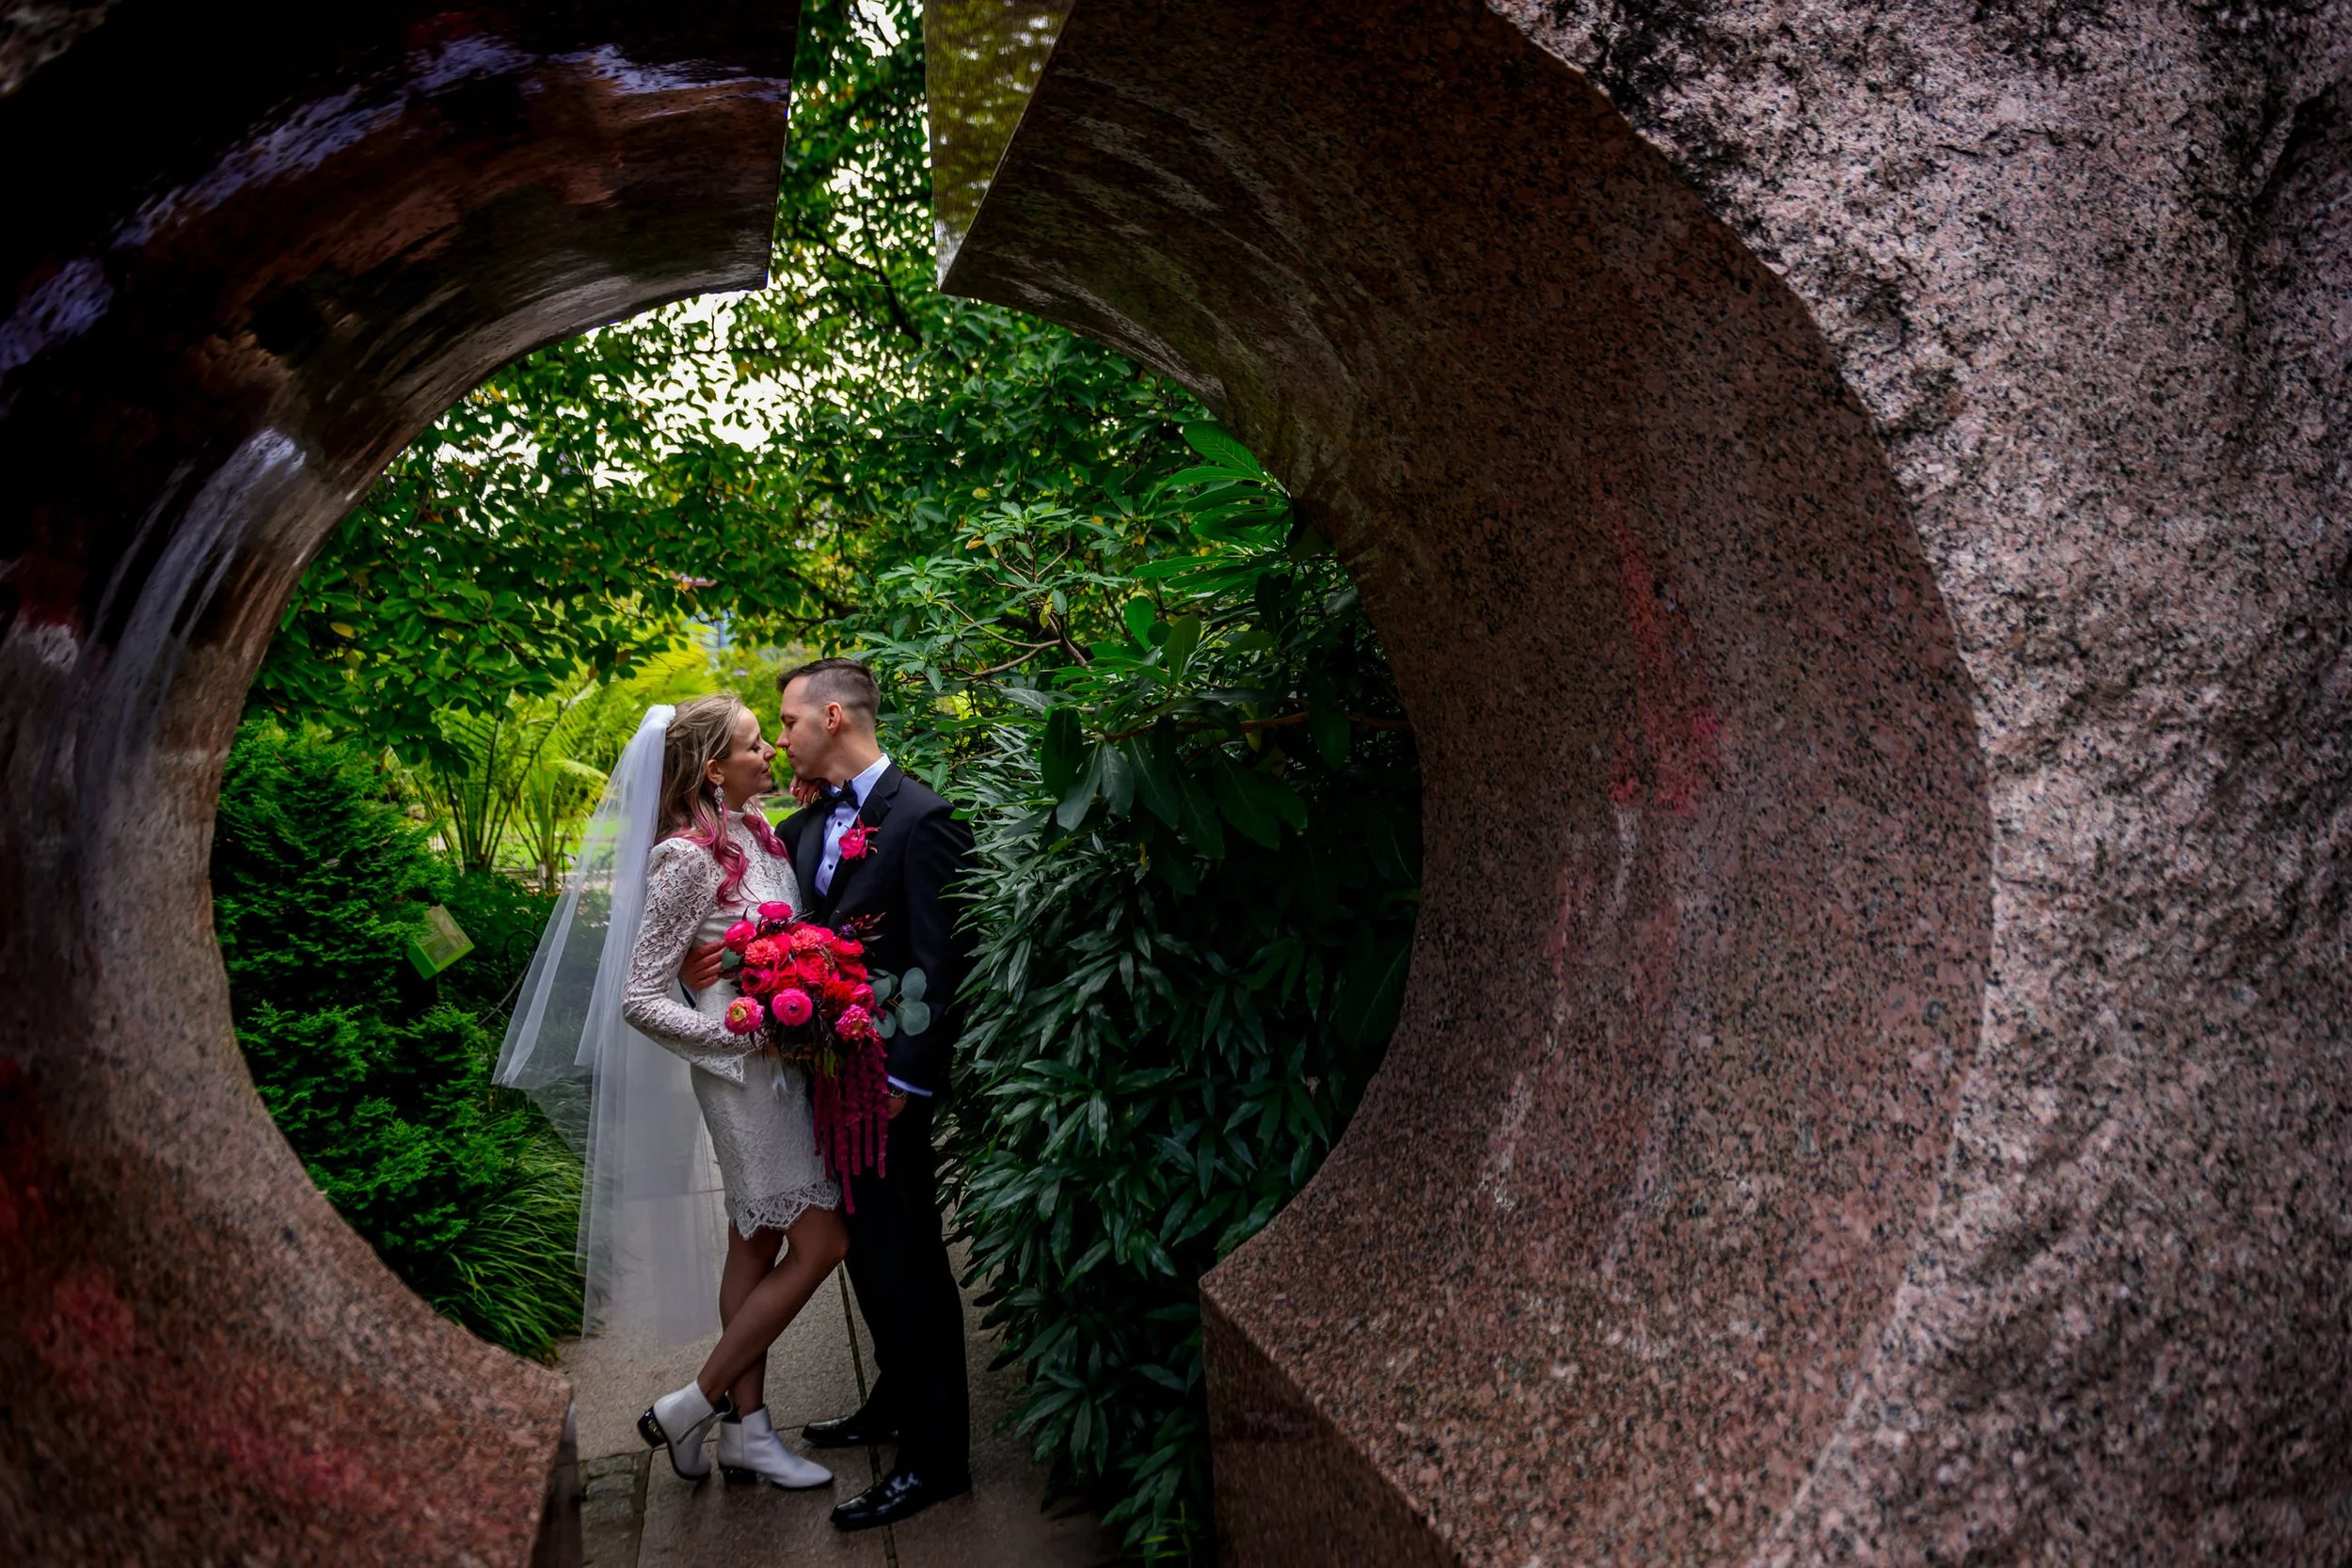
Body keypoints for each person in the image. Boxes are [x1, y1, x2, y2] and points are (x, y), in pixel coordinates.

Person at [497, 696, 848, 1493]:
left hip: (786, 1069)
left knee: (753, 1245)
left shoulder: (759, 835)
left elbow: (767, 940)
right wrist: (739, 1034)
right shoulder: (685, 857)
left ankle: (746, 1434)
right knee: (823, 1243)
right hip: (744, 1075)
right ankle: (693, 1403)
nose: (772, 753)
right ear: (714, 770)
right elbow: (638, 995)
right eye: (756, 745)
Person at [682, 657, 975, 1530]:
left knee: (911, 1266)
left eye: (789, 721)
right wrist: (728, 957)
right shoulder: (807, 831)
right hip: (822, 1090)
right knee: (869, 1262)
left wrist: (906, 1081)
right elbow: (793, 938)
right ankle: (892, 1398)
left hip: (885, 1097)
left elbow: (942, 963)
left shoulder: (923, 820)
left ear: (834, 717)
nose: (780, 738)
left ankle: (937, 1458)